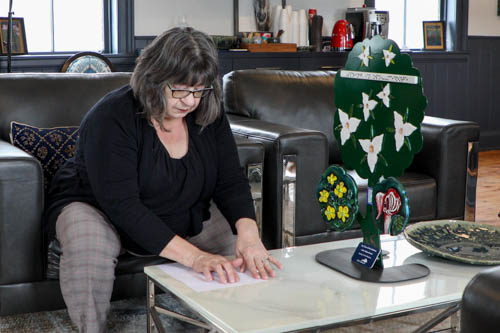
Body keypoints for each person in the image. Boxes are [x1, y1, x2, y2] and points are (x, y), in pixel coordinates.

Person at [44, 26, 282, 333]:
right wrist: (196, 258)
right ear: (154, 78)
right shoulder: (111, 117)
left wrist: (249, 235)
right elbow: (123, 206)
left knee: (241, 252)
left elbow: (230, 180)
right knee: (88, 239)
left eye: (199, 90)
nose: (190, 101)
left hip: (179, 206)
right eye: (180, 89)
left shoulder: (207, 111)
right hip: (100, 208)